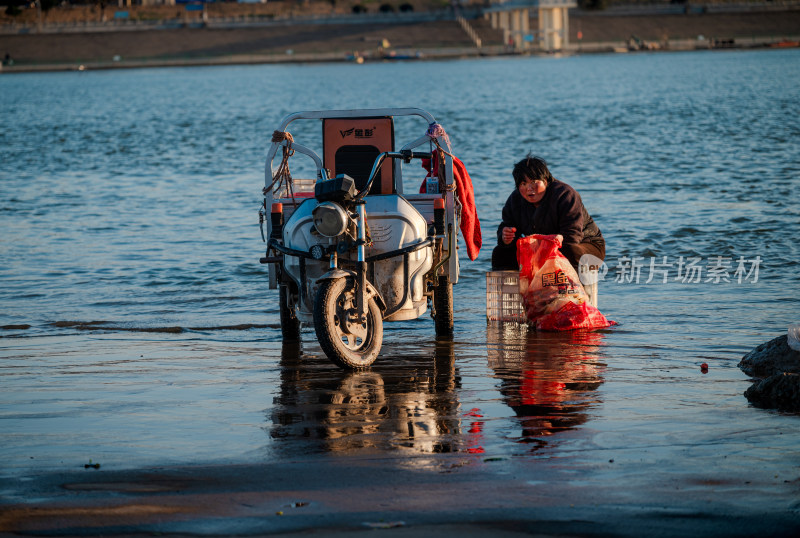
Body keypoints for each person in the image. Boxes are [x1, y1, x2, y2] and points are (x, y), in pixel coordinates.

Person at [492, 155, 605, 271]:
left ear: (545, 181)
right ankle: (515, 288)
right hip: (542, 248)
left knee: (570, 251)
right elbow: (506, 225)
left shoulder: (565, 195)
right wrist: (505, 236)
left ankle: (572, 288)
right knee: (500, 253)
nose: (529, 189)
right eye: (523, 184)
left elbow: (572, 235)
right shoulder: (515, 199)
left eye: (534, 182)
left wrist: (553, 244)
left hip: (585, 245)